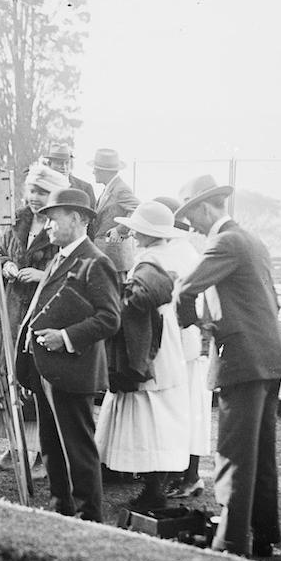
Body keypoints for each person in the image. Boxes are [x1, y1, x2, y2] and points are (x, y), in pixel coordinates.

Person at [173, 174, 281, 559]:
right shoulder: (253, 240)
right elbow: (271, 300)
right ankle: (262, 535)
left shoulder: (224, 242)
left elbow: (183, 289)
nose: (190, 225)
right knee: (260, 452)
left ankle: (233, 540)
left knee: (234, 453)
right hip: (270, 359)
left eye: (191, 215)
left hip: (242, 361)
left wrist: (194, 323)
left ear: (207, 207)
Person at [14, 187, 122, 521]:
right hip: (47, 369)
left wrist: (65, 337)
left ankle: (88, 517)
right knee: (51, 444)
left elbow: (110, 318)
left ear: (76, 219)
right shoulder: (60, 257)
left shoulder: (95, 261)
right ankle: (61, 509)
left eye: (52, 219)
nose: (46, 226)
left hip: (73, 370)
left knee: (77, 448)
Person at [94, 201, 194, 511]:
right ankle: (153, 486)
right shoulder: (169, 256)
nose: (134, 235)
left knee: (150, 416)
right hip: (165, 340)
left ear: (149, 233)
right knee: (158, 415)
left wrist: (122, 295)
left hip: (152, 344)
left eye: (138, 231)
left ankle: (153, 490)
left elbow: (142, 298)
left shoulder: (151, 261)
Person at [0, 163, 67, 477]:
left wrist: (43, 275)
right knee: (5, 379)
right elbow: (0, 251)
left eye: (42, 191)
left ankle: (43, 456)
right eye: (32, 189)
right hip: (10, 310)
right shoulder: (17, 219)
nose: (34, 197)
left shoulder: (60, 226)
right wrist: (3, 265)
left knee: (33, 383)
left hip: (39, 312)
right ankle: (13, 448)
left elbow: (71, 269)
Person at [150, 194, 211, 498]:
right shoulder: (183, 250)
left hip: (183, 342)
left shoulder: (175, 253)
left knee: (185, 408)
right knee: (188, 408)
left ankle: (190, 475)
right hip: (187, 340)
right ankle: (185, 474)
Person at [88, 148, 140, 273]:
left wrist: (120, 230)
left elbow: (138, 209)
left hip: (115, 259)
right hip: (106, 255)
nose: (93, 172)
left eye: (96, 168)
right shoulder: (109, 188)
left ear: (105, 171)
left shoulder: (120, 189)